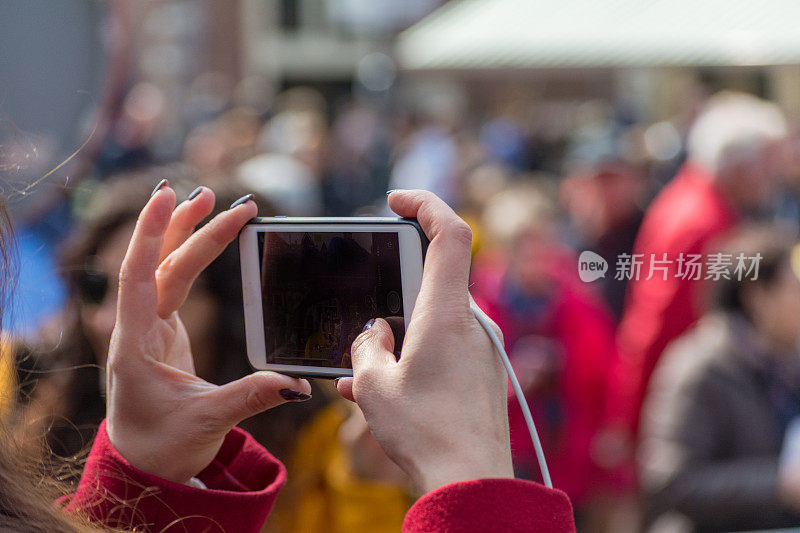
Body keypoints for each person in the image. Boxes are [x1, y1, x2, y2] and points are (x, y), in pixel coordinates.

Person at [0, 186, 575, 531]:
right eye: (101, 287)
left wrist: (138, 482)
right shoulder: (22, 405)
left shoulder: (322, 438)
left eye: (149, 289)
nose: (110, 320)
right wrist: (472, 477)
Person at [606, 92, 789, 446]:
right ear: (739, 165)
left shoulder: (697, 204)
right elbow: (657, 325)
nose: (774, 174)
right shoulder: (702, 223)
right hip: (688, 404)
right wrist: (625, 422)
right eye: (767, 161)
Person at [470, 184, 616, 520]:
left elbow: (604, 365)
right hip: (512, 452)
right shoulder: (483, 306)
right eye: (522, 245)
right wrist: (516, 379)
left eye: (540, 243)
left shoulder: (574, 297)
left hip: (570, 450)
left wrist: (562, 362)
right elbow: (470, 386)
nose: (534, 256)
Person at [639, 229, 800, 532]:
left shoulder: (788, 362)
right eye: (796, 289)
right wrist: (779, 485)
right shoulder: (699, 368)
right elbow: (670, 483)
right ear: (758, 297)